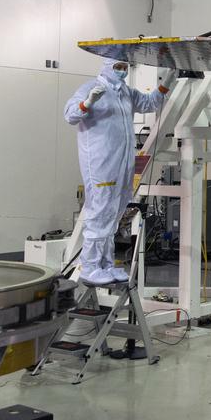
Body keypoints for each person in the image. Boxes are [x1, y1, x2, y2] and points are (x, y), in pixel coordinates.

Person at [65, 60, 176, 286]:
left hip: (123, 164)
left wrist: (167, 81)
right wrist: (88, 103)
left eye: (125, 66)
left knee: (115, 214)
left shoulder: (125, 92)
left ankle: (105, 264)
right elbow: (70, 115)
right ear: (106, 66)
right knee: (100, 212)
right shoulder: (90, 88)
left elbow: (149, 103)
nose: (123, 71)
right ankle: (90, 266)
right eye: (118, 66)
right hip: (101, 163)